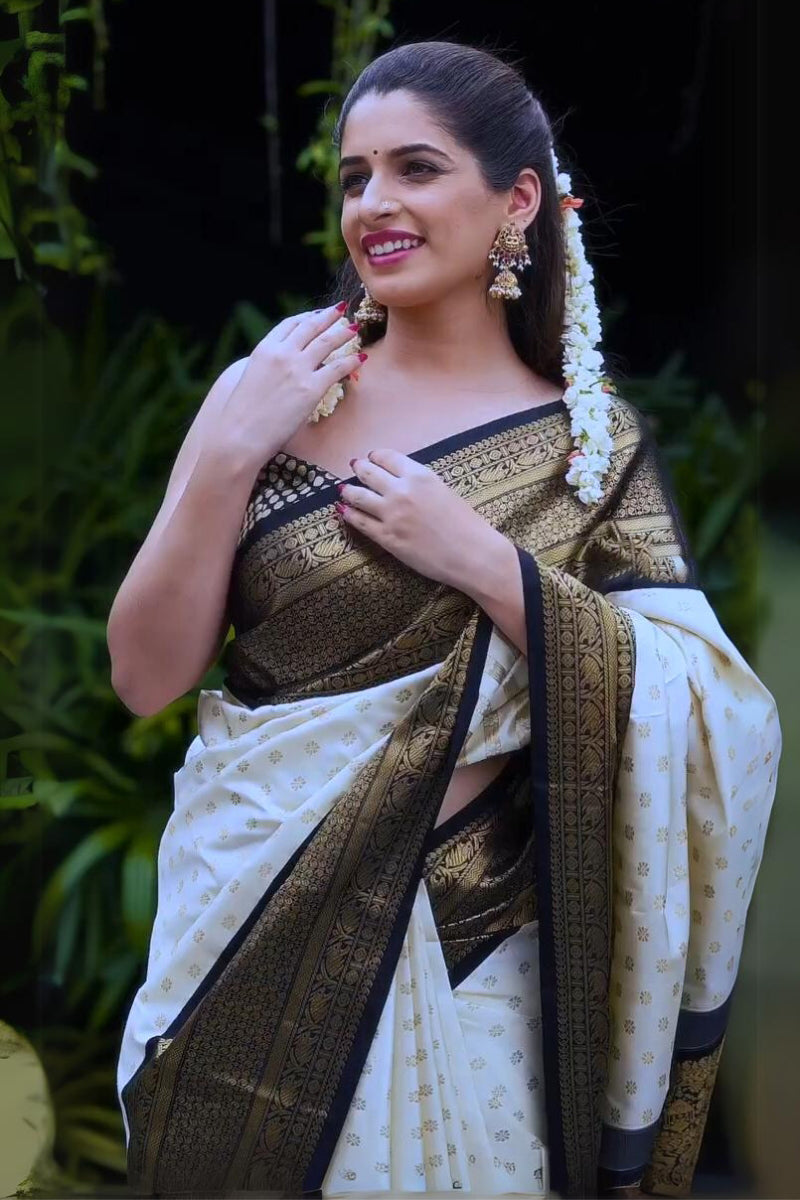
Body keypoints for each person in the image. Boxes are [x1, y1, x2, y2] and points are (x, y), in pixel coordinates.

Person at [109, 40, 781, 1200]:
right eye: (354, 177)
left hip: (469, 943)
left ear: (515, 200)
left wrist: (483, 563)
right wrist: (223, 448)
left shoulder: (585, 448)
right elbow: (144, 677)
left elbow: (711, 704)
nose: (374, 204)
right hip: (240, 910)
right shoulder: (268, 395)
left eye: (415, 168)